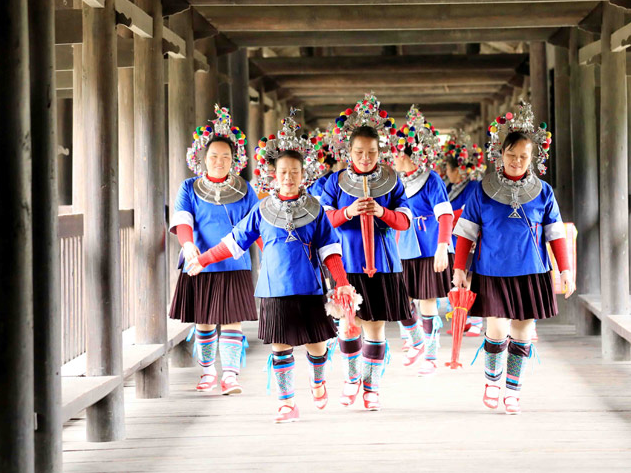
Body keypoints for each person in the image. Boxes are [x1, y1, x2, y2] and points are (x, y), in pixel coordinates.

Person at [188, 112, 353, 423]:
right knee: (280, 347)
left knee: (317, 346)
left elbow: (330, 250)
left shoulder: (316, 209)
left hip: (309, 287)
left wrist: (342, 282)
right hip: (273, 288)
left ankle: (318, 380)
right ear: (273, 175)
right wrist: (203, 259)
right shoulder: (262, 209)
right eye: (283, 172)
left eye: (294, 172)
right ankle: (287, 402)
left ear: (304, 174)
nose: (288, 177)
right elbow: (234, 243)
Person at [452, 102, 574, 415]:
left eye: (523, 156)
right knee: (496, 329)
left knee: (522, 331)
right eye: (511, 154)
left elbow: (555, 233)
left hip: (531, 270)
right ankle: (492, 381)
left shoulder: (543, 192)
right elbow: (466, 232)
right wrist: (459, 270)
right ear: (501, 154)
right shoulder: (482, 190)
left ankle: (513, 390)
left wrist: (565, 270)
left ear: (533, 158)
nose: (517, 161)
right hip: (492, 270)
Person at [319, 94, 414, 411]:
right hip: (346, 265)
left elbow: (405, 221)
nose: (365, 157)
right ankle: (351, 378)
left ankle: (372, 387)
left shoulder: (393, 181)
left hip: (384, 264)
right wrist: (348, 212)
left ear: (380, 151)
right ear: (348, 152)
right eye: (358, 152)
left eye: (371, 152)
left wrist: (382, 212)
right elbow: (322, 222)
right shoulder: (334, 183)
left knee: (375, 327)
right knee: (348, 325)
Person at [168, 105, 259, 396]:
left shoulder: (246, 190)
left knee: (233, 321)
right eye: (214, 156)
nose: (219, 161)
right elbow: (183, 220)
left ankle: (230, 375)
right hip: (199, 262)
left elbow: (257, 227)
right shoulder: (189, 187)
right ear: (203, 158)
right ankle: (208, 371)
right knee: (204, 321)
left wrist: (272, 255)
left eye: (226, 157)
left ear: (235, 160)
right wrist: (187, 244)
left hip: (235, 263)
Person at [392, 107, 454, 377]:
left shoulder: (432, 180)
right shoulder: (396, 182)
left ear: (406, 155)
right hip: (403, 246)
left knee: (427, 302)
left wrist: (442, 247)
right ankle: (417, 340)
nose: (391, 158)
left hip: (429, 246)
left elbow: (445, 214)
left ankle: (431, 354)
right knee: (399, 299)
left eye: (395, 153)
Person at [443, 134, 484, 337]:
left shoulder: (474, 187)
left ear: (458, 169)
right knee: (458, 279)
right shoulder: (450, 187)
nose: (446, 173)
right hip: (453, 239)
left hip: (469, 238)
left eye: (449, 169)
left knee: (470, 278)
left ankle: (476, 320)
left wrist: (448, 216)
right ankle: (462, 318)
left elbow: (470, 212)